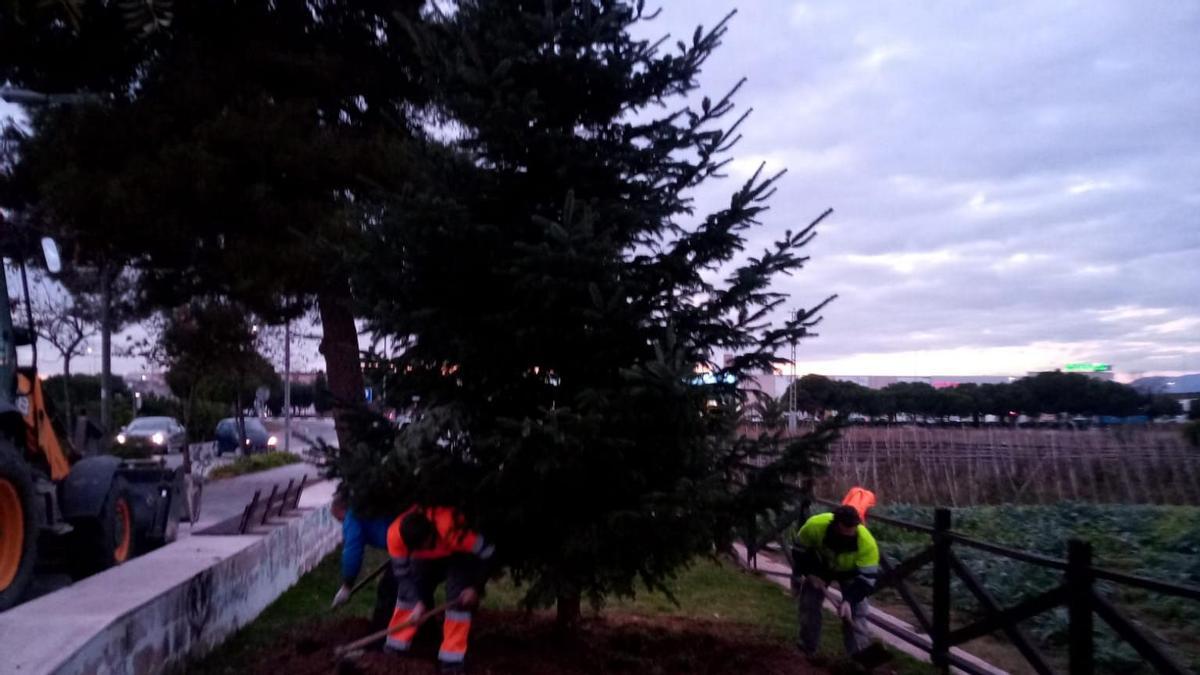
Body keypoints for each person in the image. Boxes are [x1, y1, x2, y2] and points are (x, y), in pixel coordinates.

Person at [386, 504, 494, 673]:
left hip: (459, 553)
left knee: (457, 602)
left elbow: (489, 553)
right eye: (415, 549)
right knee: (408, 596)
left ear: (431, 533)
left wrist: (475, 588)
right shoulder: (395, 536)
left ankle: (452, 660)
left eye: (423, 545)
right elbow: (402, 576)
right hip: (426, 559)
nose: (420, 550)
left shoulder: (455, 531)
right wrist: (417, 603)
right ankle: (394, 649)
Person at [789, 505, 880, 660]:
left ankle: (860, 655)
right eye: (845, 531)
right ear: (835, 524)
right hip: (820, 566)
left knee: (857, 611)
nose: (849, 535)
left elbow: (866, 580)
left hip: (851, 573)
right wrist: (809, 573)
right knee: (809, 604)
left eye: (852, 531)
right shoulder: (815, 526)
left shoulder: (867, 543)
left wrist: (848, 600)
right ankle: (807, 647)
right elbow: (799, 551)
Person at [330, 492, 397, 639]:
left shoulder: (352, 516)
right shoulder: (365, 506)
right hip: (406, 546)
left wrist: (347, 585)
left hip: (406, 547)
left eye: (339, 519)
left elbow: (352, 550)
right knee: (413, 590)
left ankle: (379, 638)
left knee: (388, 590)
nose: (343, 524)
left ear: (343, 509)